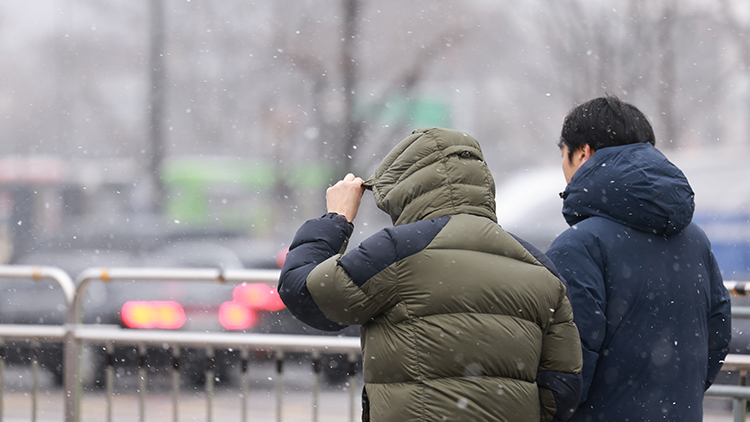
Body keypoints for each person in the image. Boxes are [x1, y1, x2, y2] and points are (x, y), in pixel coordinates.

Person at [278, 127, 583, 422]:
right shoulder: (539, 267)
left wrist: (336, 219)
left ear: (404, 189)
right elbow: (561, 389)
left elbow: (304, 292)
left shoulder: (398, 250)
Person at [546, 95, 732, 421]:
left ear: (583, 153)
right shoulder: (695, 240)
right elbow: (716, 341)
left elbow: (567, 370)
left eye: (563, 155)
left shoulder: (579, 246)